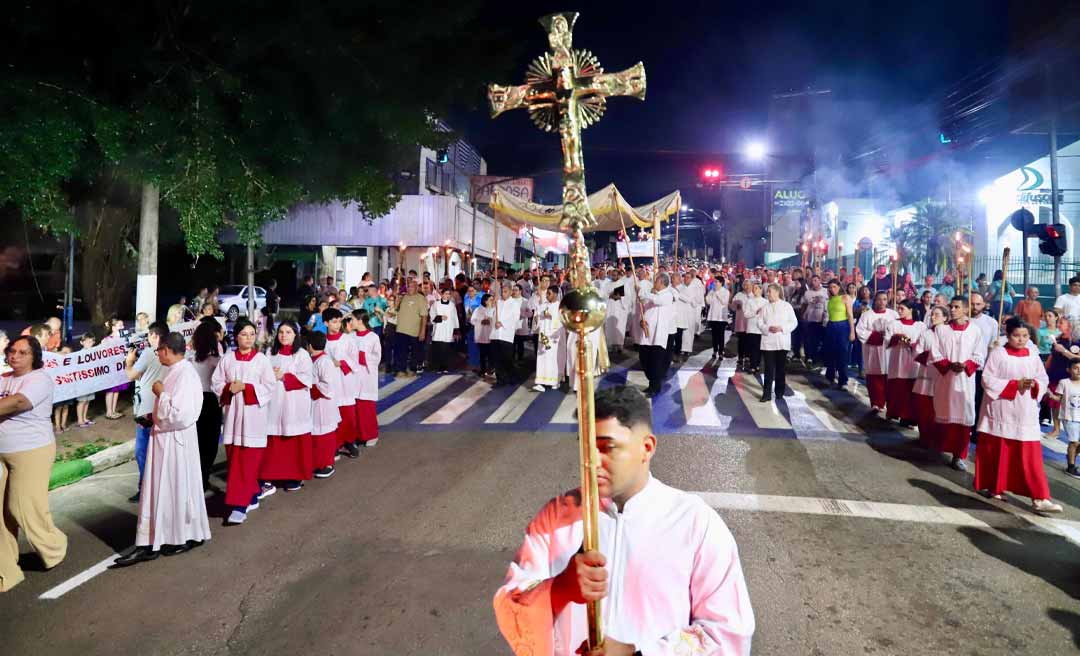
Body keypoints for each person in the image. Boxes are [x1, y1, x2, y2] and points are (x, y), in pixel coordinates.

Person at [493, 386, 755, 654]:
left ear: (647, 447)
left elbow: (727, 635)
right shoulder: (556, 517)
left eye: (607, 448)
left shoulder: (695, 524)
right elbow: (510, 610)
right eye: (586, 447)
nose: (591, 462)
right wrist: (560, 588)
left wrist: (636, 652)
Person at [112, 332, 212, 567]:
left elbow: (181, 414)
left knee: (173, 488)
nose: (156, 354)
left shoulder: (185, 374)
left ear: (166, 350)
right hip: (167, 437)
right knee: (167, 488)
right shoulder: (176, 372)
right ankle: (167, 536)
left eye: (158, 350)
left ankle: (172, 538)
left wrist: (160, 393)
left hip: (175, 442)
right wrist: (152, 415)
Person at [0, 336, 68, 591]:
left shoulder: (39, 379)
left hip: (32, 451)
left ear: (34, 356)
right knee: (0, 515)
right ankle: (6, 571)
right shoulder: (4, 377)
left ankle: (54, 548)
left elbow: (18, 402)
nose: (15, 356)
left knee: (22, 507)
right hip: (2, 453)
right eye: (12, 351)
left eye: (22, 352)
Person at [975, 319, 1063, 513]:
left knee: (1029, 455)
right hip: (1001, 407)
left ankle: (1040, 497)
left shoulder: (1032, 354)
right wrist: (1015, 385)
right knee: (1000, 450)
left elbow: (1042, 377)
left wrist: (1035, 385)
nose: (1021, 340)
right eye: (1016, 335)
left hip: (1025, 410)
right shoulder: (998, 353)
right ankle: (995, 487)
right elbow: (987, 379)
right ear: (1008, 335)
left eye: (1025, 336)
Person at [212, 319, 276, 525]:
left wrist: (246, 388)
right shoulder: (227, 359)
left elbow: (269, 387)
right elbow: (216, 382)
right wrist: (228, 387)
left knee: (247, 464)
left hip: (254, 419)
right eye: (244, 334)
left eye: (251, 334)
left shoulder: (262, 360)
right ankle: (252, 495)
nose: (248, 338)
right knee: (235, 461)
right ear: (236, 336)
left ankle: (239, 506)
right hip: (233, 419)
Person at [259, 321, 313, 495]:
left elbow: (306, 379)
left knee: (293, 439)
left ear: (295, 335)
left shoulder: (302, 354)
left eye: (288, 332)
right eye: (281, 332)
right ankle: (270, 475)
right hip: (274, 402)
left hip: (294, 403)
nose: (284, 335)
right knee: (273, 438)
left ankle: (294, 476)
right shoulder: (270, 353)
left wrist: (284, 376)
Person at [929, 297, 982, 471]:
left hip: (965, 381)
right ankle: (940, 449)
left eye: (956, 307)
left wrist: (966, 365)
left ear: (966, 310)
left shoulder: (975, 331)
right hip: (946, 380)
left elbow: (979, 355)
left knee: (964, 418)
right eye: (951, 306)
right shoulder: (941, 330)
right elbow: (934, 353)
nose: (952, 309)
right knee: (945, 414)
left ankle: (959, 455)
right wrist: (949, 365)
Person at [124, 322, 171, 503]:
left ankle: (145, 490)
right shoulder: (171, 353)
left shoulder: (149, 353)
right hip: (164, 409)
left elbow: (131, 375)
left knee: (142, 452)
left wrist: (128, 362)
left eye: (149, 336)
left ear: (154, 336)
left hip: (147, 411)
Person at [323, 308, 361, 459]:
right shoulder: (323, 341)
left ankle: (349, 441)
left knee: (348, 415)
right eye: (334, 322)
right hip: (330, 383)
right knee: (332, 416)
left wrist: (341, 363)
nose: (337, 325)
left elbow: (355, 361)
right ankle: (335, 444)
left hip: (345, 382)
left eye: (339, 321)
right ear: (326, 323)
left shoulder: (348, 340)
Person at [190, 321, 223, 490]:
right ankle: (203, 478)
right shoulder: (215, 360)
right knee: (209, 442)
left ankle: (196, 478)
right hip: (210, 401)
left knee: (196, 440)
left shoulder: (190, 359)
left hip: (194, 400)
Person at [305, 331, 342, 479]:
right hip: (316, 403)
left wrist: (312, 387)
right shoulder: (314, 360)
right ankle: (318, 462)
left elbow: (328, 385)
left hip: (323, 403)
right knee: (317, 435)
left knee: (324, 435)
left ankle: (327, 464)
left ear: (310, 346)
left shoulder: (324, 361)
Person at [883, 300, 925, 425]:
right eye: (898, 308)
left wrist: (911, 344)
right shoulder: (893, 324)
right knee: (897, 388)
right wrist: (897, 337)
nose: (899, 311)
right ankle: (895, 412)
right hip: (897, 360)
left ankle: (909, 417)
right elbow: (886, 340)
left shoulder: (920, 326)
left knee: (911, 389)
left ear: (910, 310)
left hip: (913, 362)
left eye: (902, 308)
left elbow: (924, 342)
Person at [913, 306, 948, 448]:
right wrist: (931, 356)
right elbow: (916, 352)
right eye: (932, 314)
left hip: (942, 375)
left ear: (945, 318)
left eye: (937, 315)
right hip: (926, 376)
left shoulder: (950, 334)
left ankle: (939, 439)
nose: (933, 317)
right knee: (925, 409)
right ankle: (924, 436)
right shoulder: (926, 334)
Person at [855, 291, 897, 411]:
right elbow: (860, 331)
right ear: (875, 300)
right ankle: (876, 402)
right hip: (873, 350)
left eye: (884, 299)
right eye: (879, 299)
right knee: (874, 376)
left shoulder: (893, 314)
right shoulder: (867, 315)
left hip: (888, 350)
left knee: (888, 377)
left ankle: (887, 402)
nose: (882, 302)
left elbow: (898, 329)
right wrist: (877, 335)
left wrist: (889, 334)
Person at [758, 283, 798, 402]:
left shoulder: (787, 306)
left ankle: (779, 392)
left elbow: (794, 322)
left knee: (781, 368)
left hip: (782, 341)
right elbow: (759, 322)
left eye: (769, 291)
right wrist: (767, 328)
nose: (767, 294)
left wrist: (782, 328)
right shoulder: (765, 307)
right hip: (768, 341)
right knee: (768, 369)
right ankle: (766, 394)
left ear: (776, 292)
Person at [638, 273, 676, 397]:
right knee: (644, 357)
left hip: (659, 335)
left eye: (656, 281)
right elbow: (645, 305)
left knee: (655, 362)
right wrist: (642, 321)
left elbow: (657, 300)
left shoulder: (667, 295)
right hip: (648, 333)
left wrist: (644, 293)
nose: (654, 283)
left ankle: (654, 387)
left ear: (661, 282)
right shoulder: (654, 295)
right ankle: (652, 382)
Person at [352, 310, 382, 447]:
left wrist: (363, 356)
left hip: (367, 377)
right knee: (355, 408)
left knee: (366, 408)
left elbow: (377, 357)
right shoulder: (350, 337)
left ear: (360, 320)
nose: (350, 322)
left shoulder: (373, 337)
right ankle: (358, 435)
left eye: (352, 319)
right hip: (352, 377)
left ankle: (371, 434)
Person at [390, 279, 428, 377]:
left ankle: (412, 369)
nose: (409, 288)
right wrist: (397, 301)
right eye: (408, 286)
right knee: (400, 351)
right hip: (401, 329)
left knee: (414, 352)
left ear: (416, 288)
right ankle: (401, 370)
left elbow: (424, 316)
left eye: (412, 286)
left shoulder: (421, 298)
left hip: (414, 330)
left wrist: (422, 331)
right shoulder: (403, 297)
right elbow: (395, 310)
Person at [1050, 360, 1080, 479]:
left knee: (1076, 444)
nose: (1078, 370)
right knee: (1074, 442)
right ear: (1069, 369)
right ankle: (1071, 467)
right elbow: (1058, 398)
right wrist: (1051, 395)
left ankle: (1071, 456)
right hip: (1069, 417)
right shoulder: (1064, 383)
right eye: (1075, 368)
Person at [823, 279, 855, 388]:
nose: (832, 289)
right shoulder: (830, 299)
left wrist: (852, 332)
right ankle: (830, 377)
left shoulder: (846, 298)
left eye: (834, 287)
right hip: (831, 326)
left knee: (842, 353)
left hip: (843, 326)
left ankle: (843, 380)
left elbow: (850, 315)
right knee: (830, 352)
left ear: (839, 287)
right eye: (830, 287)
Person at [532, 287, 564, 392]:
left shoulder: (560, 306)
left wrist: (552, 316)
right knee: (542, 358)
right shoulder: (543, 305)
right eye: (546, 294)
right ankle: (541, 382)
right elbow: (537, 317)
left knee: (553, 359)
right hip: (544, 334)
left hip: (554, 336)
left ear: (555, 294)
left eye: (549, 294)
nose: (547, 296)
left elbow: (562, 320)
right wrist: (537, 317)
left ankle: (555, 381)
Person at [493, 283, 522, 386]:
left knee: (507, 359)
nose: (503, 294)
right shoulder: (497, 302)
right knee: (497, 359)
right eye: (502, 292)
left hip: (506, 334)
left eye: (505, 292)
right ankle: (500, 380)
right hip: (496, 334)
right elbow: (492, 314)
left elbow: (515, 318)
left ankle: (513, 376)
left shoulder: (514, 303)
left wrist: (502, 323)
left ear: (510, 292)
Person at [101, 318, 128, 419]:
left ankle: (113, 410)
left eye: (123, 325)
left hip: (120, 368)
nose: (123, 327)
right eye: (120, 326)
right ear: (113, 328)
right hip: (111, 369)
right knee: (110, 390)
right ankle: (109, 412)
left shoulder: (124, 339)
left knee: (117, 389)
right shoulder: (106, 340)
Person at [429, 287, 460, 374]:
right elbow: (432, 315)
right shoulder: (436, 304)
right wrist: (440, 317)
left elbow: (455, 317)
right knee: (438, 349)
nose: (448, 295)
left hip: (448, 329)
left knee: (446, 349)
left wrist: (456, 330)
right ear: (442, 294)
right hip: (438, 329)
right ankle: (438, 367)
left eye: (449, 294)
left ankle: (445, 367)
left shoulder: (452, 305)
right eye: (446, 294)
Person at [800, 275, 828, 365]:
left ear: (820, 281)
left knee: (819, 341)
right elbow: (803, 304)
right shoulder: (807, 293)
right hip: (810, 319)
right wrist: (803, 316)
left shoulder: (825, 291)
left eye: (816, 280)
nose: (814, 282)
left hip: (822, 320)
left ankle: (817, 358)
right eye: (812, 281)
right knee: (809, 340)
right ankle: (809, 357)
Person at [742, 283, 767, 373]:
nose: (754, 290)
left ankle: (757, 365)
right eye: (754, 288)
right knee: (752, 348)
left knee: (759, 348)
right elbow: (746, 314)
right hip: (752, 327)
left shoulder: (765, 302)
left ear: (761, 290)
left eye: (756, 288)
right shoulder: (749, 301)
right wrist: (755, 312)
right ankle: (752, 366)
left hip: (761, 328)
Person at [74, 333, 97, 428]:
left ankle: (84, 418)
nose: (90, 343)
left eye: (91, 342)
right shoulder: (79, 354)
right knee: (82, 401)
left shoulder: (94, 352)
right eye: (87, 342)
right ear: (82, 342)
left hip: (91, 381)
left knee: (88, 400)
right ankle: (80, 420)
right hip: (82, 382)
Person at [705, 276, 730, 359]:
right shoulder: (712, 291)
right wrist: (710, 294)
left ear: (721, 283)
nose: (714, 283)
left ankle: (721, 351)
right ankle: (715, 350)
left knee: (721, 335)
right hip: (713, 316)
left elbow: (724, 302)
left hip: (721, 317)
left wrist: (717, 294)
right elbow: (708, 301)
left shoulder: (726, 291)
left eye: (716, 282)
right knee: (714, 335)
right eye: (714, 282)